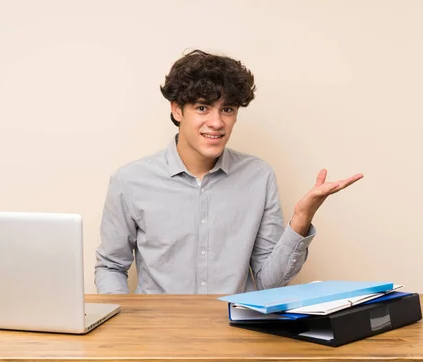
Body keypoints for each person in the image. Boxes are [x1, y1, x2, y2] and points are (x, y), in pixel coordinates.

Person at [94, 49, 363, 294]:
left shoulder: (259, 177)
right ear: (177, 110)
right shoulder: (130, 181)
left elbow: (270, 283)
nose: (217, 122)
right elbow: (110, 267)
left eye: (227, 109)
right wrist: (130, 327)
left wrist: (302, 218)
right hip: (160, 338)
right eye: (202, 108)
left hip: (237, 334)